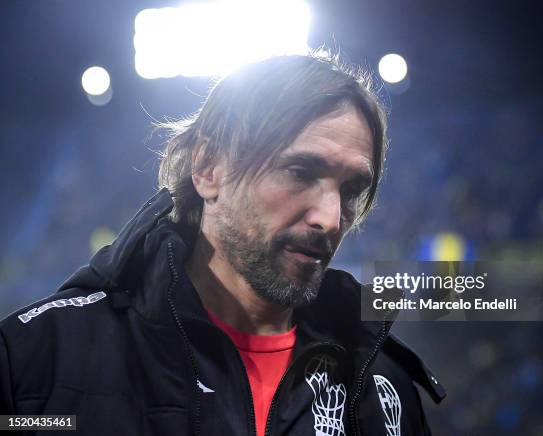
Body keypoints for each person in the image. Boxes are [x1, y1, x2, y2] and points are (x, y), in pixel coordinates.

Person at [0, 54, 445, 435]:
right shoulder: (37, 358)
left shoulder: (384, 387)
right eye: (300, 173)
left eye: (351, 191)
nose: (330, 219)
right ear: (209, 168)